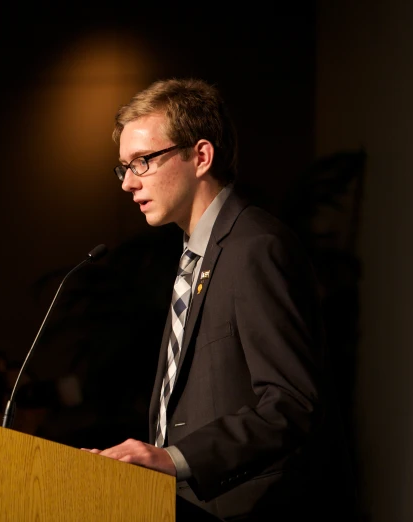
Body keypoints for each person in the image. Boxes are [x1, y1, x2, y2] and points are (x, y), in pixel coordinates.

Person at [82, 78, 356, 521]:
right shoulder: (196, 255)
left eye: (143, 162)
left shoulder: (254, 247)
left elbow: (291, 402)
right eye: (123, 167)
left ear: (201, 156)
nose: (127, 184)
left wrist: (175, 458)